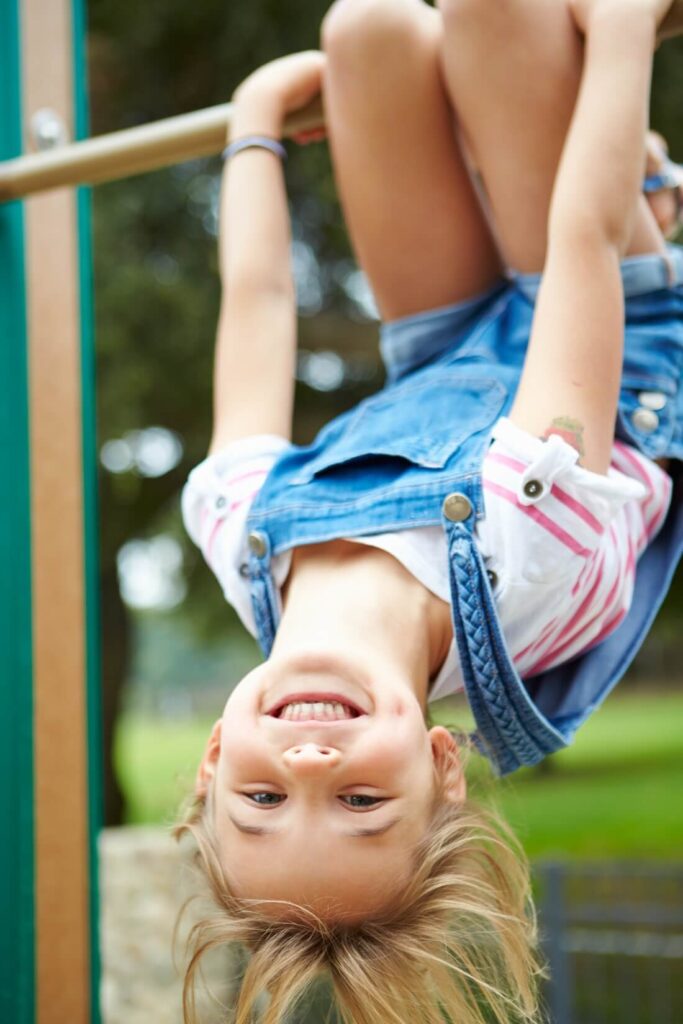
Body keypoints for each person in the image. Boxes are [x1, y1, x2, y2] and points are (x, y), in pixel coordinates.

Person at [174, 1, 683, 1022]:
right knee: (495, 11)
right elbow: (579, 243)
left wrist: (253, 125)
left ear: (217, 757)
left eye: (263, 801)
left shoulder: (242, 544)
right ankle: (649, 188)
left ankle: (627, 165)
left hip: (443, 348)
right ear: (440, 764)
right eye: (361, 803)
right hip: (604, 334)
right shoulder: (516, 554)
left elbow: (260, 305)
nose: (310, 766)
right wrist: (624, 36)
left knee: (363, 30)